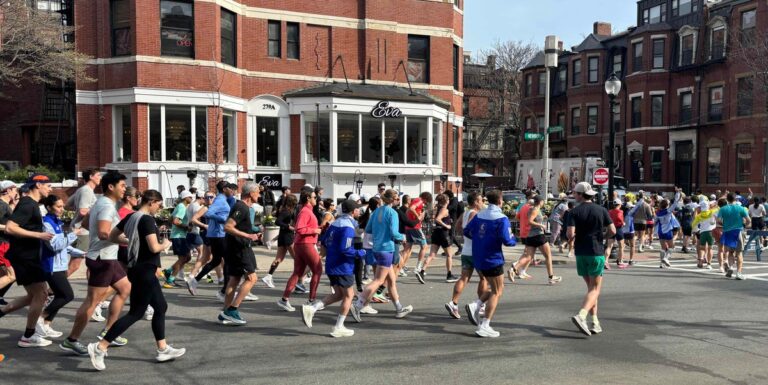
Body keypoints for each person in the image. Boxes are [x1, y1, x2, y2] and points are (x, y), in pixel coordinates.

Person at [86, 189, 186, 370]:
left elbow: (113, 235)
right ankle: (100, 347)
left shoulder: (132, 217)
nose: (159, 208)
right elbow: (154, 247)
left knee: (161, 307)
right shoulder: (146, 219)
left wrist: (131, 240)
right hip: (144, 270)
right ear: (151, 202)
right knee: (136, 313)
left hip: (138, 269)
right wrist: (166, 244)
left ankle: (162, 348)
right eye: (159, 204)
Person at [61, 172, 131, 355]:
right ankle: (71, 340)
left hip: (108, 257)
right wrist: (129, 240)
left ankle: (109, 332)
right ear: (111, 187)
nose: (124, 189)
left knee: (124, 288)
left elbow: (84, 222)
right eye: (122, 185)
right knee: (92, 302)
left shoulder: (102, 202)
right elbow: (103, 233)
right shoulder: (107, 206)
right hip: (102, 259)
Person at [0, 174, 55, 347]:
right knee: (41, 294)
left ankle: (2, 312)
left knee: (34, 295)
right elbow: (10, 227)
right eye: (48, 185)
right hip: (25, 257)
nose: (50, 189)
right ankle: (28, 336)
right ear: (38, 185)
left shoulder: (30, 204)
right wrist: (38, 234)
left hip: (26, 256)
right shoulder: (27, 204)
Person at [301, 200, 366, 337]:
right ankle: (338, 326)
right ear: (353, 211)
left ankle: (312, 308)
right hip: (343, 266)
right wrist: (360, 253)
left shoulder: (334, 224)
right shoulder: (348, 228)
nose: (359, 211)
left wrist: (322, 257)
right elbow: (346, 249)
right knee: (349, 295)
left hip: (332, 264)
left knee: (338, 294)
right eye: (358, 209)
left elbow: (324, 242)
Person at [352, 189, 413, 320]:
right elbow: (394, 232)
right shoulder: (393, 213)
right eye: (397, 198)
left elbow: (368, 229)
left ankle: (399, 308)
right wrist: (402, 237)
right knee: (379, 281)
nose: (398, 200)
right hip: (387, 249)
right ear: (392, 200)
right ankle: (358, 304)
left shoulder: (376, 211)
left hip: (377, 248)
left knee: (391, 281)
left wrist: (380, 230)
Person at [462, 190, 516, 338]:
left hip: (479, 256)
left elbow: (467, 231)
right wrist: (514, 239)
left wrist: (481, 240)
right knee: (497, 291)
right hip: (493, 257)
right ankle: (485, 324)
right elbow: (507, 240)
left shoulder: (479, 215)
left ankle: (476, 304)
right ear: (500, 201)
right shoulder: (502, 218)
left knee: (496, 288)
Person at [567, 182, 615, 337]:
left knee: (591, 290)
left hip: (581, 252)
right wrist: (603, 237)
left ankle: (595, 322)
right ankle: (582, 316)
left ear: (580, 195)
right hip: (596, 251)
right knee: (595, 290)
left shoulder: (574, 212)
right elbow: (613, 230)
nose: (574, 195)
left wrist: (573, 238)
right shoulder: (601, 210)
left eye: (575, 193)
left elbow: (569, 234)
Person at [37, 195, 83, 339]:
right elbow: (55, 245)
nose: (62, 209)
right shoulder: (47, 223)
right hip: (51, 266)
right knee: (67, 295)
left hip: (60, 265)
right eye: (58, 206)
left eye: (62, 206)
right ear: (49, 208)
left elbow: (64, 247)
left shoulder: (57, 222)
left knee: (59, 295)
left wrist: (80, 252)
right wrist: (73, 234)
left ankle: (46, 324)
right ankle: (40, 318)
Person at [218, 182, 261, 324]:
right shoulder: (241, 206)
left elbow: (239, 226)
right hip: (239, 248)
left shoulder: (244, 207)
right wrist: (247, 236)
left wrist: (253, 232)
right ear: (251, 193)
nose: (259, 195)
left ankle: (225, 312)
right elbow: (228, 227)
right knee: (252, 278)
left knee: (234, 279)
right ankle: (233, 309)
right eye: (258, 192)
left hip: (236, 247)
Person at [277, 189, 322, 312]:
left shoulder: (306, 210)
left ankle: (284, 299)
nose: (316, 199)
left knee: (297, 272)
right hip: (305, 244)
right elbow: (299, 229)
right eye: (314, 197)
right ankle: (311, 301)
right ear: (308, 198)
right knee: (317, 270)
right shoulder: (305, 211)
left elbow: (303, 228)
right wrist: (315, 231)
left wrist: (316, 229)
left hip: (301, 244)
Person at [186, 181, 232, 298]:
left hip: (216, 234)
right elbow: (209, 213)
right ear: (225, 189)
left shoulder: (221, 199)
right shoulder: (220, 200)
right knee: (227, 261)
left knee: (216, 260)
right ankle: (225, 291)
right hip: (218, 235)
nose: (232, 191)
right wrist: (222, 219)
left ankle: (195, 280)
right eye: (230, 188)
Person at [445, 192, 487, 320]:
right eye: (480, 201)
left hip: (466, 251)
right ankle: (480, 305)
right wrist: (480, 237)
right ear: (475, 202)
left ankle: (453, 303)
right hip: (476, 251)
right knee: (484, 278)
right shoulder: (474, 213)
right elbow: (470, 229)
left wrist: (464, 237)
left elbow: (457, 227)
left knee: (464, 278)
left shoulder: (465, 212)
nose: (482, 203)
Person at [510, 195, 562, 284]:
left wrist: (542, 219)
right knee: (548, 256)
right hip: (538, 235)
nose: (544, 203)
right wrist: (541, 225)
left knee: (528, 257)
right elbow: (530, 221)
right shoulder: (535, 209)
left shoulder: (531, 209)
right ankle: (551, 277)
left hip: (530, 236)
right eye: (543, 201)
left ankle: (513, 269)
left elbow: (531, 219)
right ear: (540, 202)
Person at [66, 169, 101, 277]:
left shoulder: (82, 190)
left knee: (93, 262)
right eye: (98, 175)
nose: (100, 177)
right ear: (91, 176)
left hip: (84, 231)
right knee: (75, 265)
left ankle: (92, 287)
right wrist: (99, 213)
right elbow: (82, 211)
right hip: (82, 231)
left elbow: (67, 205)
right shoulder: (86, 191)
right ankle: (53, 288)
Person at [417, 194, 458, 283]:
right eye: (448, 200)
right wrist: (447, 225)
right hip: (443, 234)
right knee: (449, 255)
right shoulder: (444, 210)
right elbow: (438, 219)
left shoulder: (438, 209)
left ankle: (422, 271)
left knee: (432, 254)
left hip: (436, 233)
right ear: (446, 201)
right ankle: (449, 275)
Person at [262, 194, 298, 288]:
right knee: (297, 259)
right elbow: (277, 221)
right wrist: (288, 226)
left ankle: (268, 276)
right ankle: (298, 281)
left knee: (279, 259)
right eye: (295, 201)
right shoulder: (286, 211)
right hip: (287, 237)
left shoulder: (284, 209)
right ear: (292, 202)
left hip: (282, 236)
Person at [164, 191, 194, 288]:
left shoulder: (181, 206)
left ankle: (168, 271)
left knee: (188, 257)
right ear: (185, 198)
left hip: (180, 235)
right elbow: (176, 221)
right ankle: (170, 280)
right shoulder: (181, 207)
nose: (192, 198)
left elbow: (170, 219)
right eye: (190, 196)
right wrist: (186, 227)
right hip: (179, 236)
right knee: (183, 258)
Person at [717, 193, 750, 280]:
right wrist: (744, 225)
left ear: (727, 200)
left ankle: (731, 267)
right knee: (739, 253)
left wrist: (724, 224)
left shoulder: (723, 209)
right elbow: (748, 220)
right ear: (735, 199)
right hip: (738, 231)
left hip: (727, 232)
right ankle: (738, 273)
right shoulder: (741, 208)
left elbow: (718, 221)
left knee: (730, 252)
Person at [0, 180, 19, 305]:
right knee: (12, 275)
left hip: (6, 244)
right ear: (8, 190)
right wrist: (10, 228)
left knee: (9, 274)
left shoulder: (6, 205)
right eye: (15, 189)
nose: (17, 192)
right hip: (2, 245)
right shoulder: (1, 205)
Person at [405, 192, 431, 282]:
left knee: (407, 249)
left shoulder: (415, 200)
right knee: (424, 246)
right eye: (427, 202)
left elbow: (408, 210)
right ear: (426, 199)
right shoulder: (419, 201)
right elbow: (411, 209)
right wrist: (418, 217)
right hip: (415, 227)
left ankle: (399, 266)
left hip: (409, 226)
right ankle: (418, 268)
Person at [692, 200, 717, 270]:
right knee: (710, 248)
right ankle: (709, 264)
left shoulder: (699, 215)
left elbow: (693, 225)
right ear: (708, 206)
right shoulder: (712, 211)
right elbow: (718, 205)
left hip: (702, 232)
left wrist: (697, 231)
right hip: (711, 232)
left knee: (702, 248)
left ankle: (701, 260)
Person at [654, 199, 679, 268]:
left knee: (663, 248)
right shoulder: (668, 211)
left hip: (660, 231)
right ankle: (666, 258)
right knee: (671, 247)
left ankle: (661, 263)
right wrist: (678, 193)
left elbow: (654, 221)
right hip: (668, 231)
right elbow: (675, 203)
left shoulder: (658, 213)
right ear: (667, 205)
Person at [606, 199, 627, 268]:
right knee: (621, 246)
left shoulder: (610, 211)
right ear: (619, 205)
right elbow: (619, 217)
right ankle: (620, 261)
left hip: (611, 229)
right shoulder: (620, 211)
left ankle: (605, 261)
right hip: (618, 229)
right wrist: (622, 222)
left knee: (609, 246)